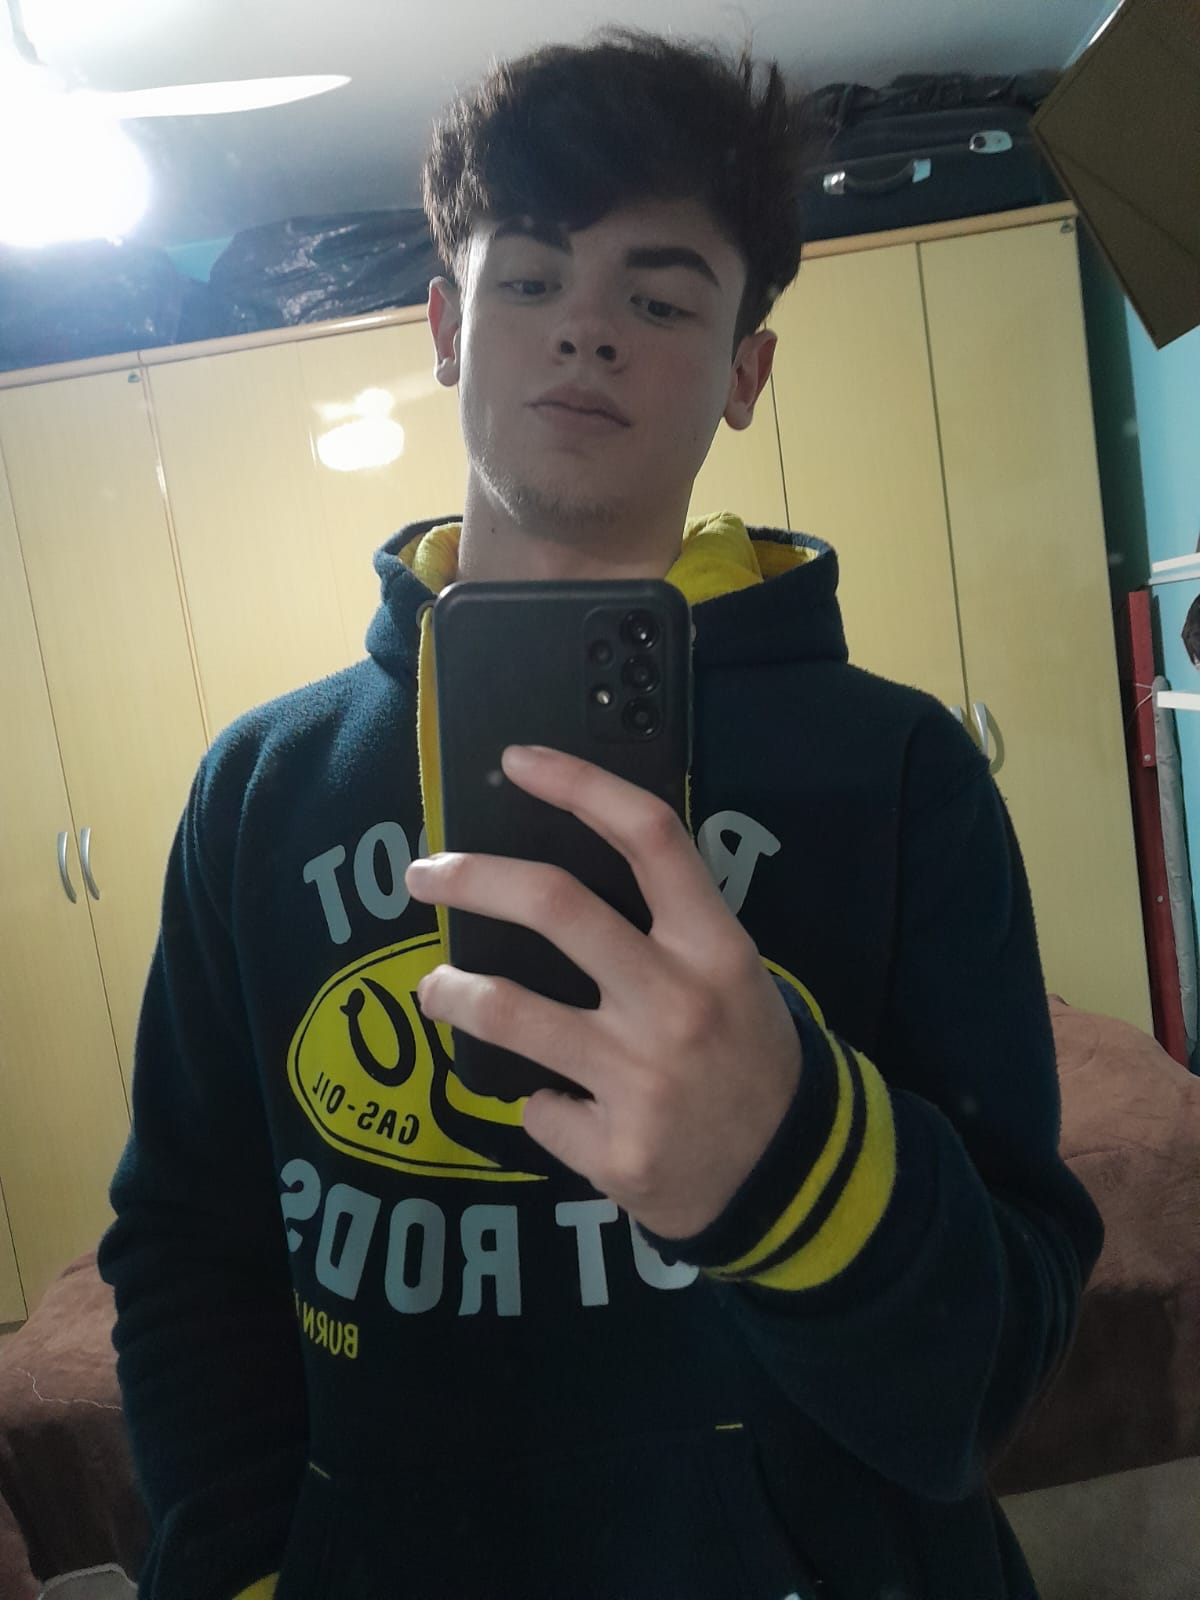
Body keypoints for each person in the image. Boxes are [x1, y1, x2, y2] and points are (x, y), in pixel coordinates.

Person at [98, 27, 1103, 1600]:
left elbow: (992, 1369)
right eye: (530, 279)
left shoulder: (902, 772)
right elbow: (183, 1250)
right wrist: (238, 1570)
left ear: (746, 372)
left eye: (660, 297)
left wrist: (788, 1160)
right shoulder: (258, 787)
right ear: (447, 328)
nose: (585, 330)